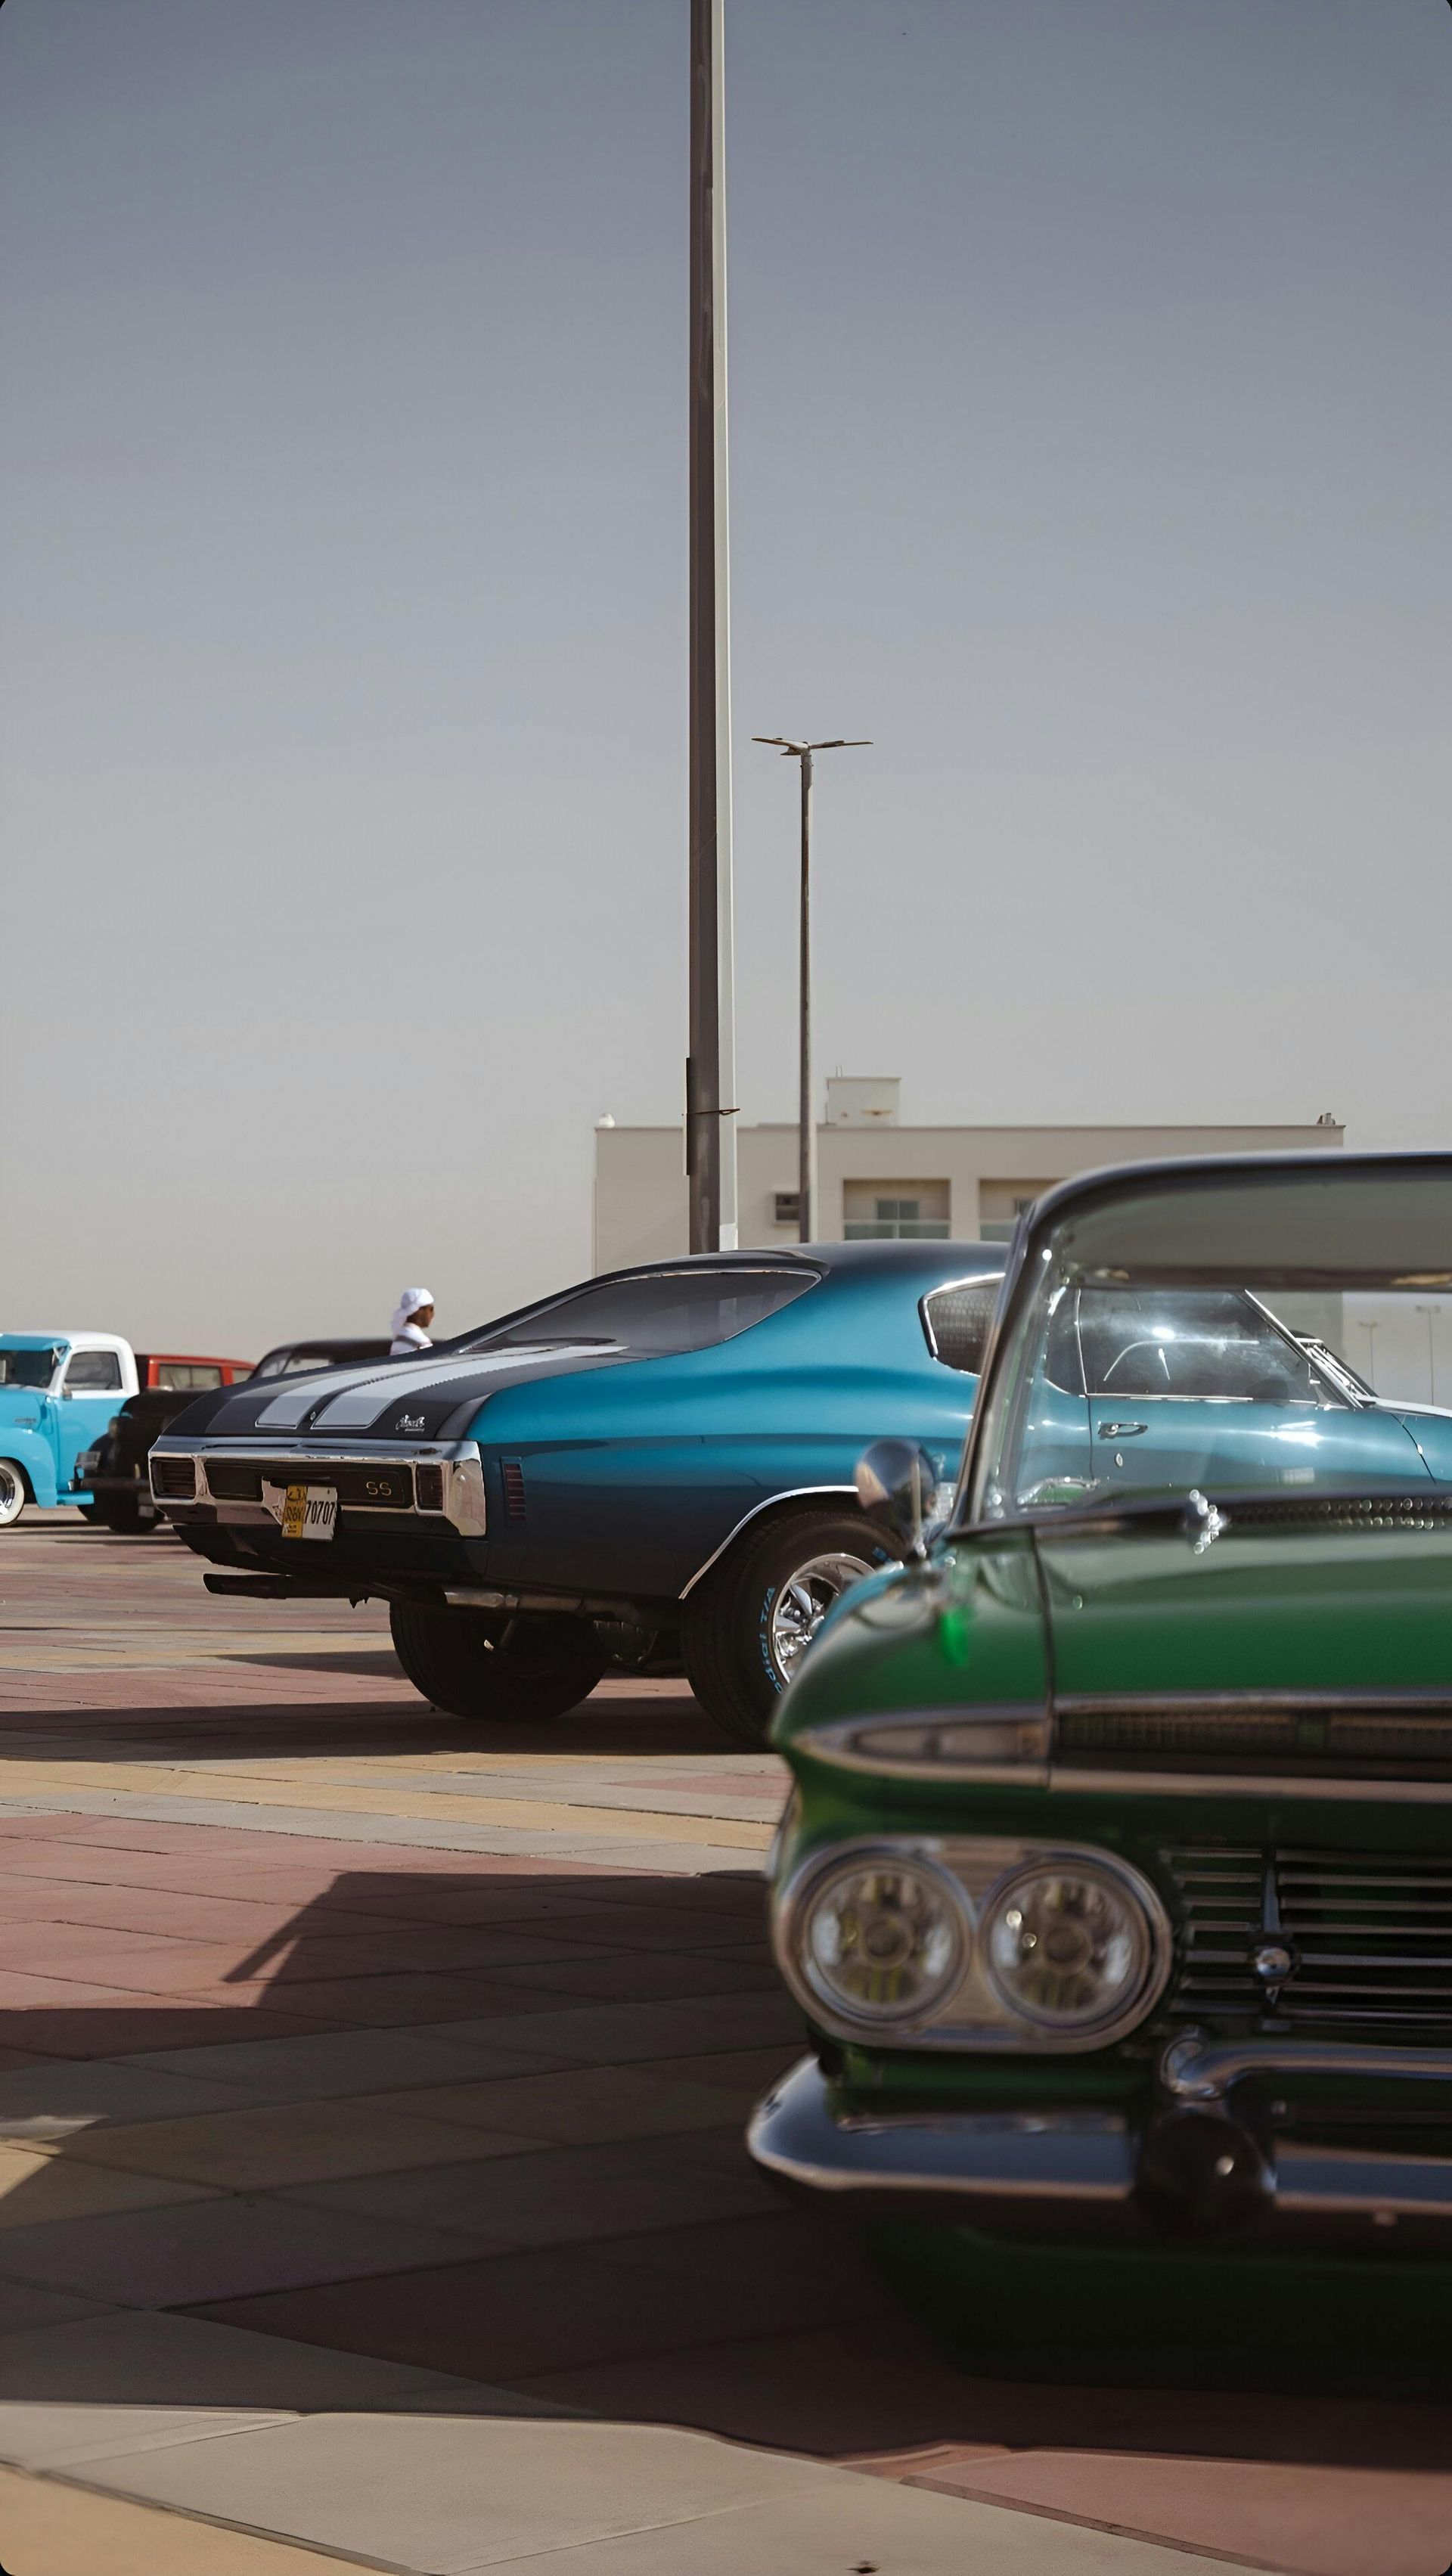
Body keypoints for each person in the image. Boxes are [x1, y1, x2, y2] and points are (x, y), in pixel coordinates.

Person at [389, 1289, 436, 1356]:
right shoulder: (420, 1341)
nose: (433, 1314)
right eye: (431, 1309)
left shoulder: (400, 1337)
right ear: (419, 1310)